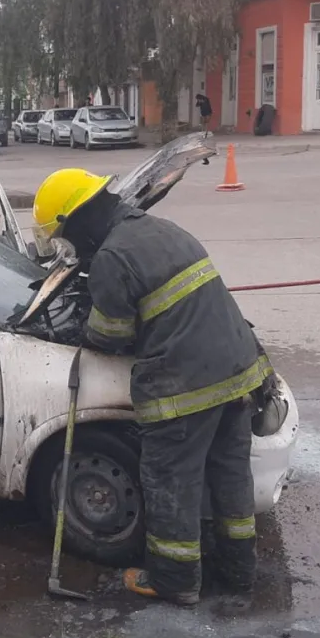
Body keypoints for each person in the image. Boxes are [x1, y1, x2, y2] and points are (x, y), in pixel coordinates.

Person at [32, 169, 273, 606]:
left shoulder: (111, 257)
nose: (70, 246)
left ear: (79, 219)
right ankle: (239, 571)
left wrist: (87, 321)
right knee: (230, 474)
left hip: (185, 386)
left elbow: (110, 336)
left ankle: (174, 581)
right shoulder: (165, 230)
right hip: (239, 371)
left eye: (65, 234)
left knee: (170, 480)